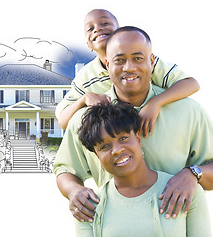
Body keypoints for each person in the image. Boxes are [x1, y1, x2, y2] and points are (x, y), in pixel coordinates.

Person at [53, 26, 213, 224]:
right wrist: (74, 191)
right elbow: (65, 169)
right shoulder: (86, 119)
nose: (128, 67)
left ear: (152, 61)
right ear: (107, 63)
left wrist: (192, 174)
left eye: (138, 58)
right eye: (119, 60)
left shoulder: (189, 111)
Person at [56, 9, 200, 139]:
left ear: (120, 31)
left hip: (157, 130)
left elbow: (191, 84)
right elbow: (63, 121)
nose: (98, 29)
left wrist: (155, 103)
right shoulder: (85, 77)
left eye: (105, 23)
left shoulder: (144, 62)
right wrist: (84, 99)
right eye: (90, 28)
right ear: (88, 44)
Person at [74, 101, 211, 236]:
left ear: (138, 139)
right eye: (104, 146)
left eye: (123, 138)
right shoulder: (88, 206)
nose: (116, 150)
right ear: (97, 156)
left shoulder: (185, 191)